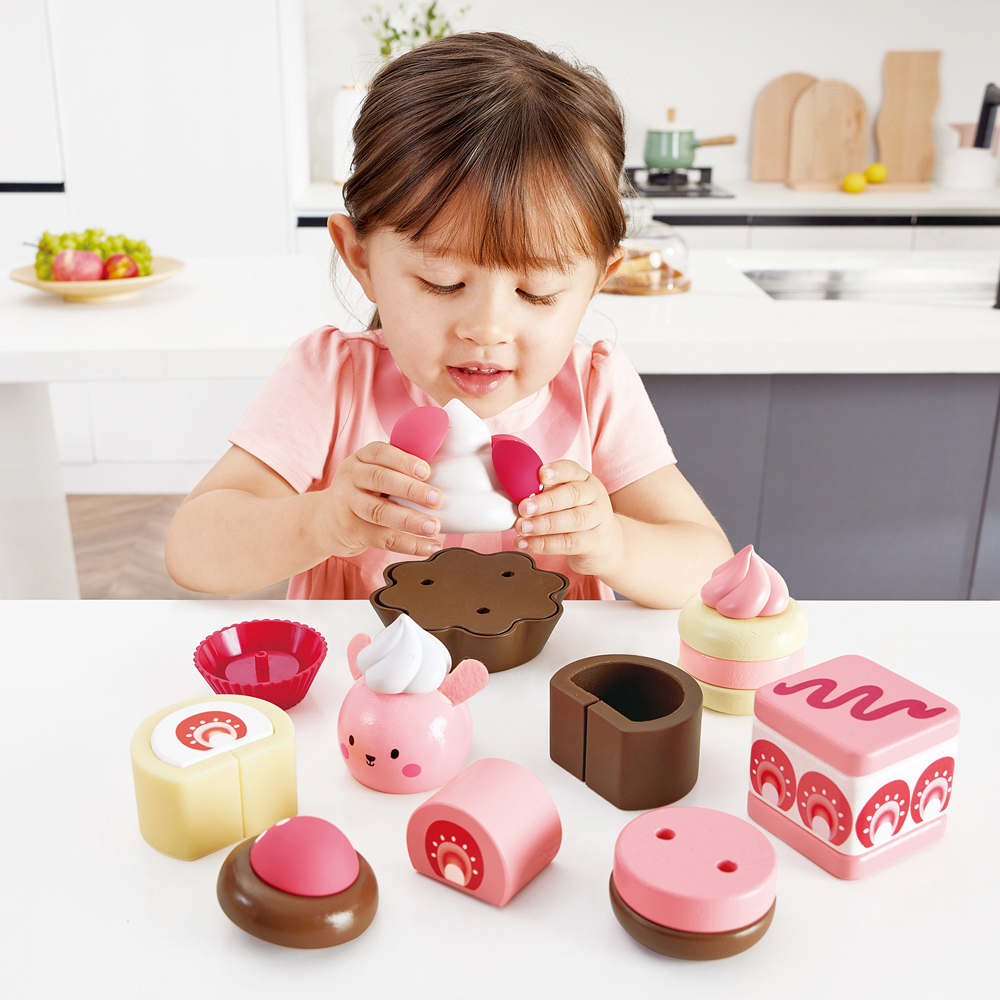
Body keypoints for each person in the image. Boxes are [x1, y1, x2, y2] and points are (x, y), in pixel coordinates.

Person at [165, 31, 731, 607]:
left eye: (536, 292)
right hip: (362, 664)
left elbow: (707, 568)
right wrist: (320, 522)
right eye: (443, 283)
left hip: (553, 670)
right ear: (361, 258)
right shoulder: (333, 379)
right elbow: (192, 549)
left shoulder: (595, 390)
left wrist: (614, 544)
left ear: (596, 282)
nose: (486, 329)